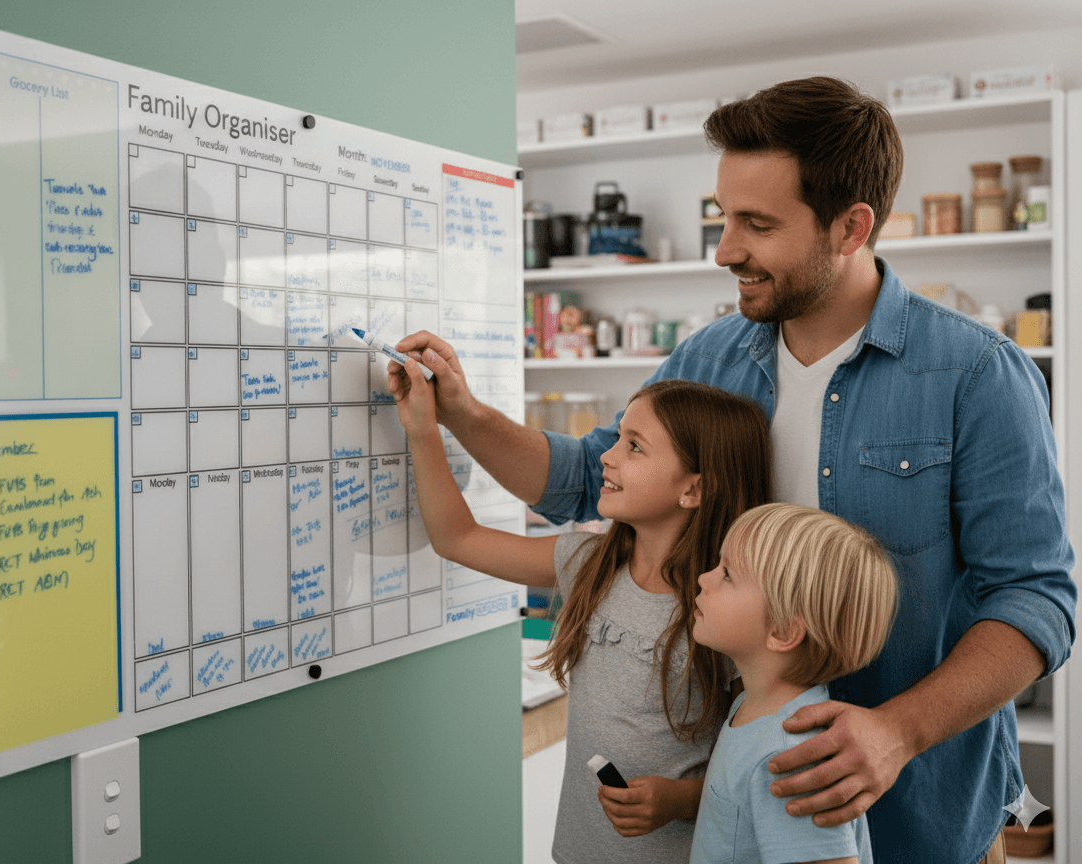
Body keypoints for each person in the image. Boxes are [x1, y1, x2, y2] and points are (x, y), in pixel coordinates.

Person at [389, 76, 1076, 863]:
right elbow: (587, 479)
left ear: (851, 228)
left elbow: (1036, 599)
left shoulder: (977, 375)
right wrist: (465, 414)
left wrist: (895, 732)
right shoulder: (707, 358)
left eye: (757, 224)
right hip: (738, 804)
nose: (725, 251)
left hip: (923, 812)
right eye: (723, 218)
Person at [393, 371, 773, 863]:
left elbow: (763, 770)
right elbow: (457, 539)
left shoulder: (729, 610)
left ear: (694, 488)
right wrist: (423, 430)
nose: (607, 457)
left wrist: (680, 800)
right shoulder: (590, 562)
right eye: (617, 439)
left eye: (634, 447)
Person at [689, 503, 897, 864]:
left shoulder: (789, 757)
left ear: (783, 631)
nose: (703, 578)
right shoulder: (751, 708)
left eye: (726, 574)